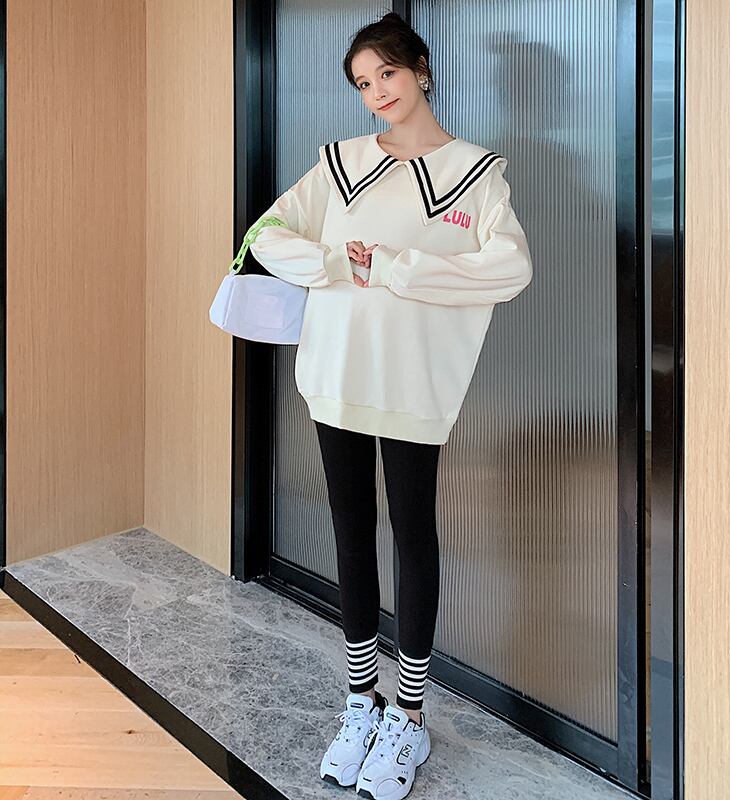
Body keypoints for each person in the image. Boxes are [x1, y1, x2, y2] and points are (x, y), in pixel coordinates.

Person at [248, 12, 533, 800]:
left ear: (421, 71)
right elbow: (266, 233)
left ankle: (408, 716)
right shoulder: (340, 164)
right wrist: (335, 262)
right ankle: (360, 703)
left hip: (413, 386)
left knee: (412, 536)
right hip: (335, 376)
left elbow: (509, 268)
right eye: (363, 83)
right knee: (348, 531)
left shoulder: (475, 174)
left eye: (387, 74)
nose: (377, 93)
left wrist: (405, 270)